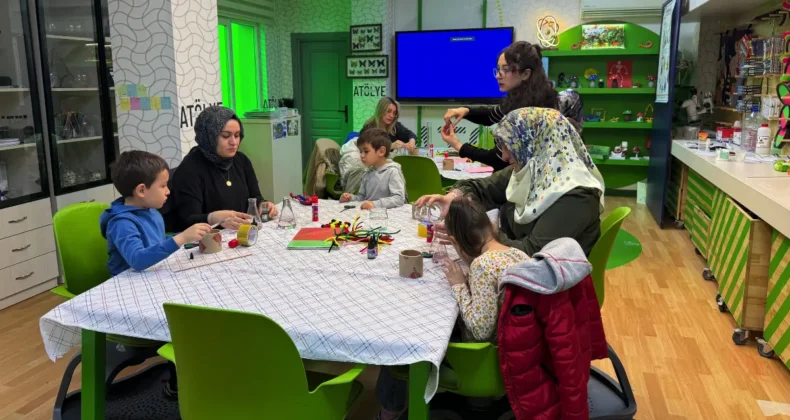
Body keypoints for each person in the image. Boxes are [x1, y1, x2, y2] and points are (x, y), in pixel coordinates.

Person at [417, 107, 604, 258]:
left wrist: (481, 234)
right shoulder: (532, 171)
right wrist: (453, 197)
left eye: (511, 147)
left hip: (547, 293)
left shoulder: (575, 196)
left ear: (535, 144)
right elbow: (479, 187)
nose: (505, 156)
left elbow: (531, 256)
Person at [439, 41, 583, 171]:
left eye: (506, 70)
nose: (498, 75)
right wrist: (466, 110)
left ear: (525, 74)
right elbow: (492, 113)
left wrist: (458, 145)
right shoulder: (523, 98)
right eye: (498, 69)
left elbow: (498, 159)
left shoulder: (527, 115)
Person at [100, 150, 212, 276]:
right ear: (141, 190)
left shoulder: (150, 211)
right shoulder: (121, 223)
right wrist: (182, 238)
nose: (168, 191)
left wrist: (188, 237)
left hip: (151, 274)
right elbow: (138, 260)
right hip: (127, 282)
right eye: (163, 186)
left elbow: (156, 241)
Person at [169, 106, 278, 232]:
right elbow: (187, 221)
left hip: (243, 233)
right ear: (209, 136)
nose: (234, 142)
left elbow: (255, 197)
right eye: (226, 136)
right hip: (211, 239)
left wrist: (263, 205)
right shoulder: (190, 169)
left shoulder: (241, 160)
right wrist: (214, 218)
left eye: (237, 135)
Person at [339, 128, 406, 210]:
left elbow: (399, 199)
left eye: (366, 151)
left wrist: (375, 204)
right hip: (370, 215)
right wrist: (351, 198)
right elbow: (363, 197)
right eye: (360, 152)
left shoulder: (393, 171)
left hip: (388, 217)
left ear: (381, 151)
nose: (362, 155)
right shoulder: (367, 172)